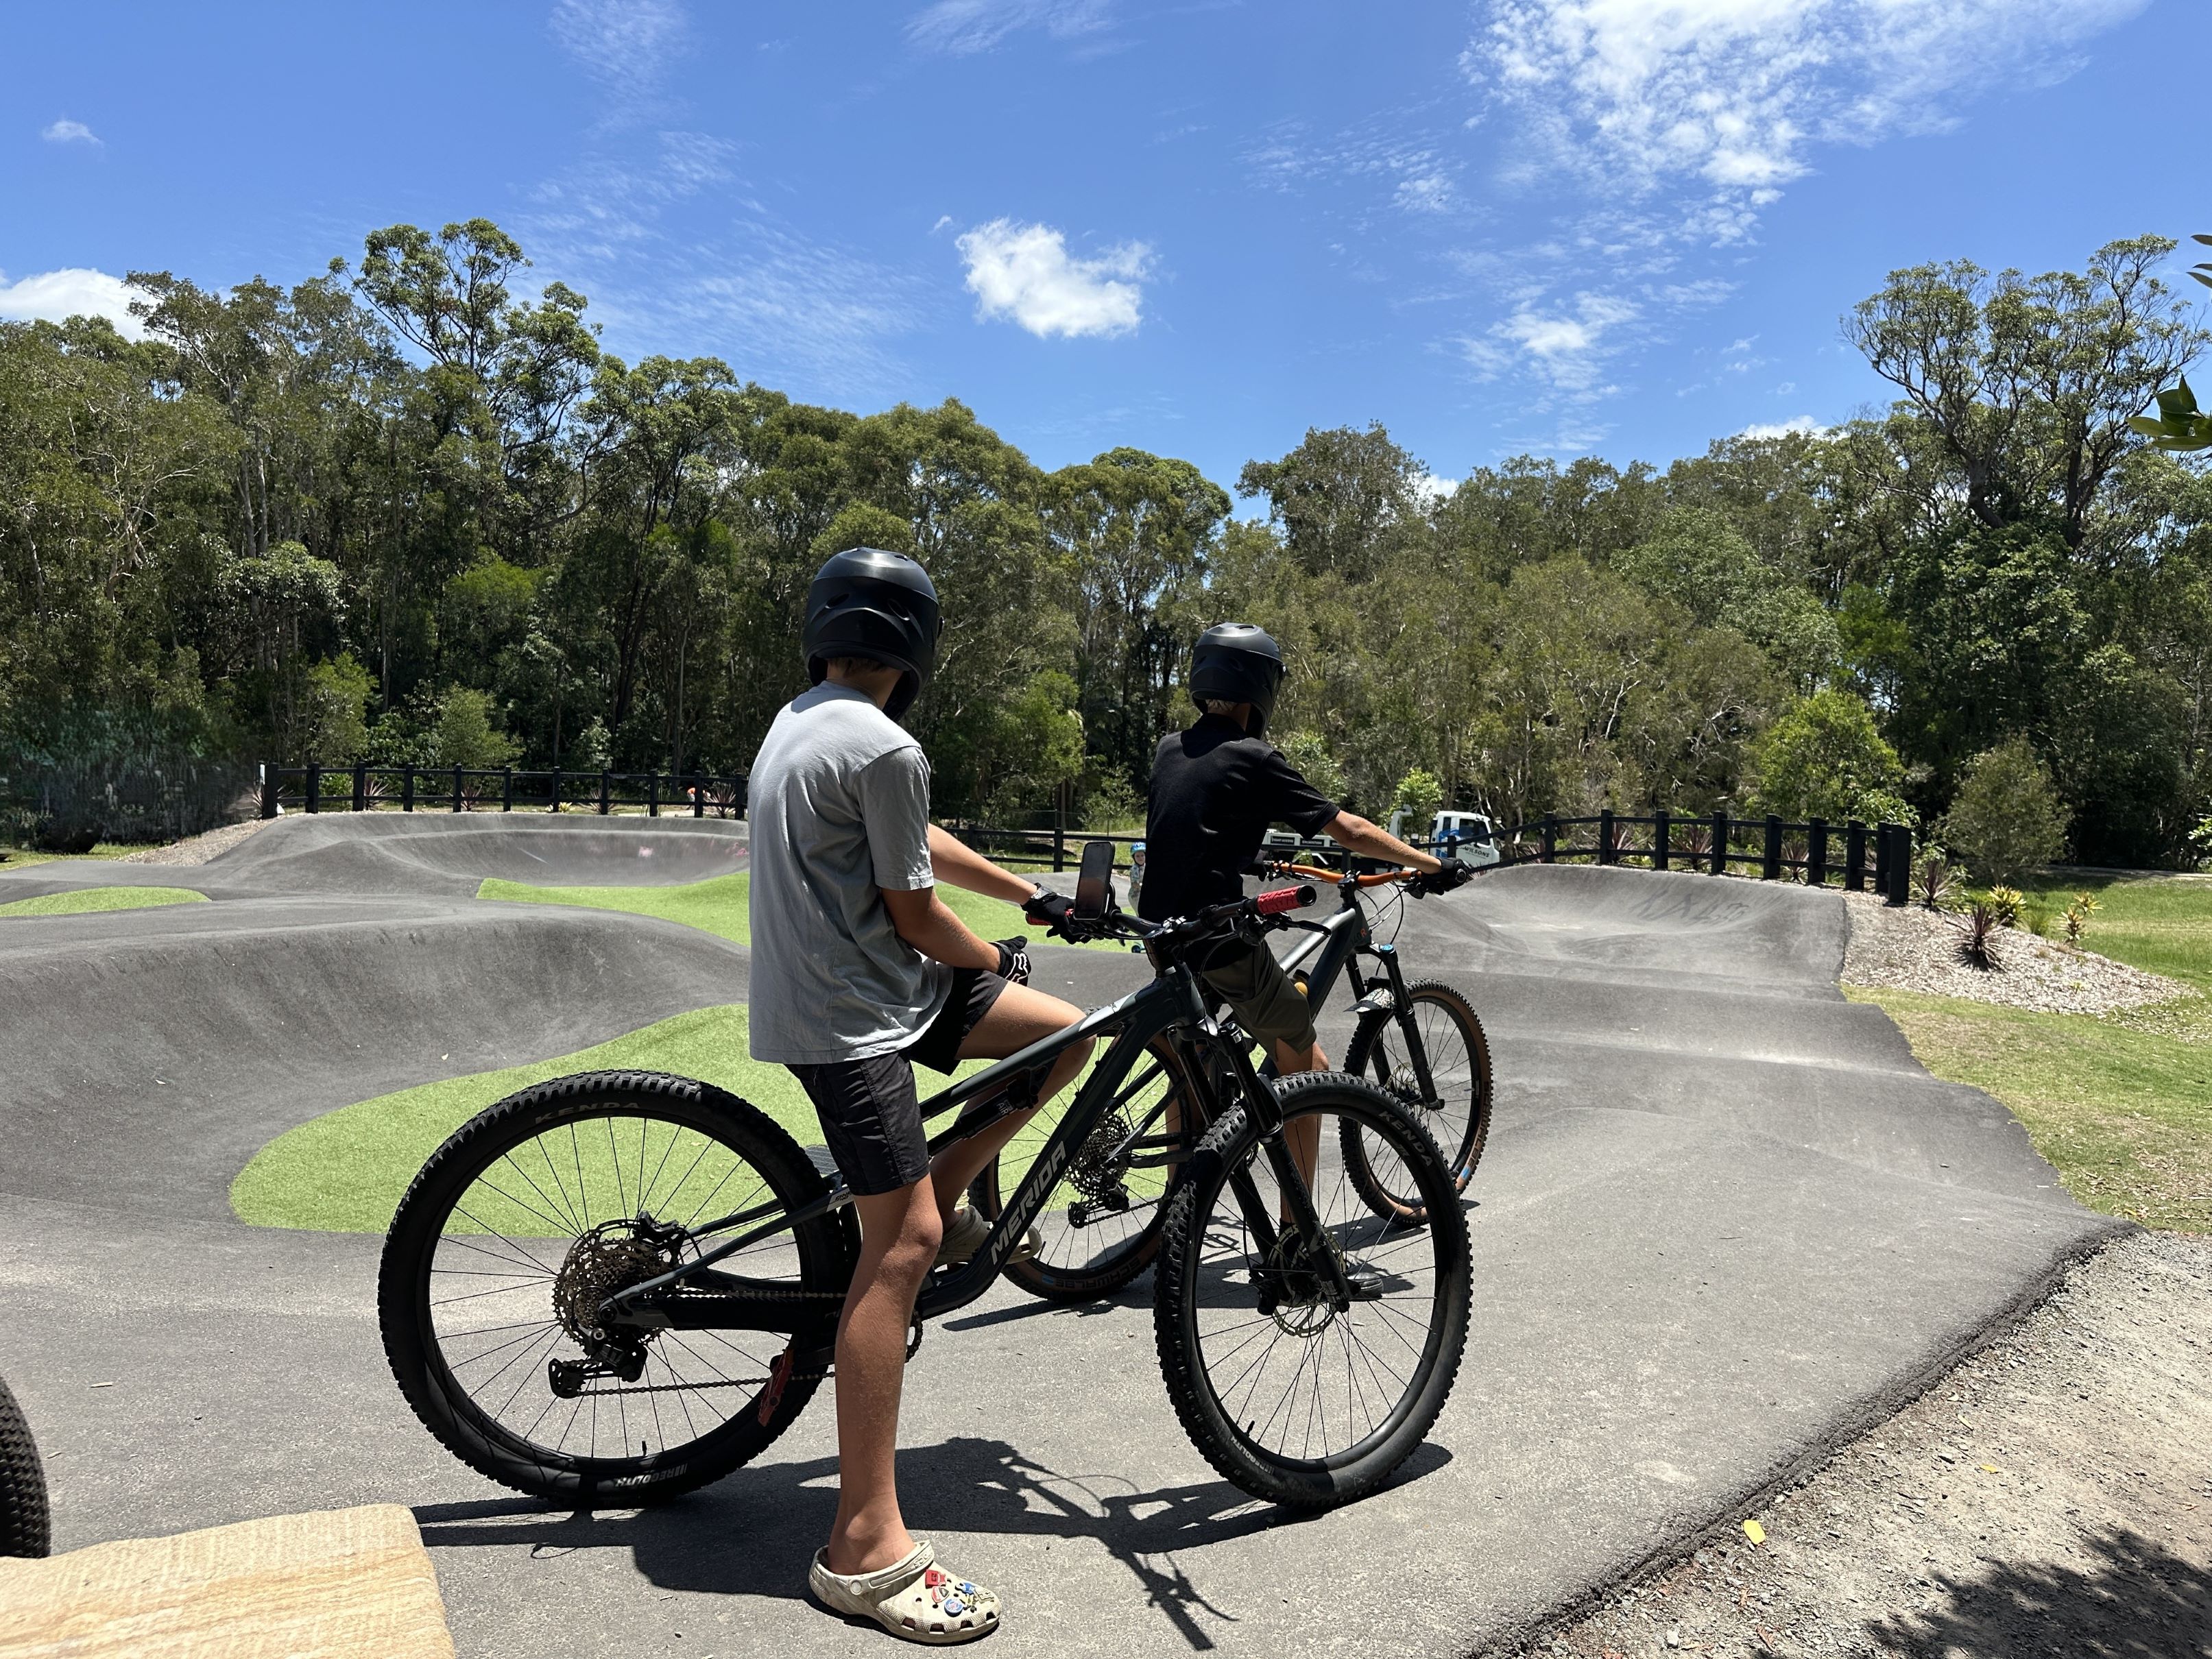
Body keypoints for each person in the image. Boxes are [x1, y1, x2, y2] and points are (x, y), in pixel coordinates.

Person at [747, 547, 1089, 1645]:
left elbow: (917, 849)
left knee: (1062, 1038)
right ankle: (861, 1549)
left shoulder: (806, 718)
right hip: (854, 1018)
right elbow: (915, 915)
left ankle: (942, 1204)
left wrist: (1026, 889)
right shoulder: (888, 743)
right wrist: (995, 949)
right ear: (916, 644)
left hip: (858, 992)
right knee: (896, 1246)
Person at [1141, 623, 1451, 1174]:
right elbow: (1349, 829)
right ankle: (1295, 1238)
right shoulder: (1255, 757)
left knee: (1191, 1065)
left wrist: (1246, 858)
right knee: (1308, 1067)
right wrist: (1428, 862)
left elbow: (1192, 826)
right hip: (1218, 942)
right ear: (1261, 686)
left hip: (1163, 938)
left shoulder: (1170, 749)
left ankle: (1175, 1205)